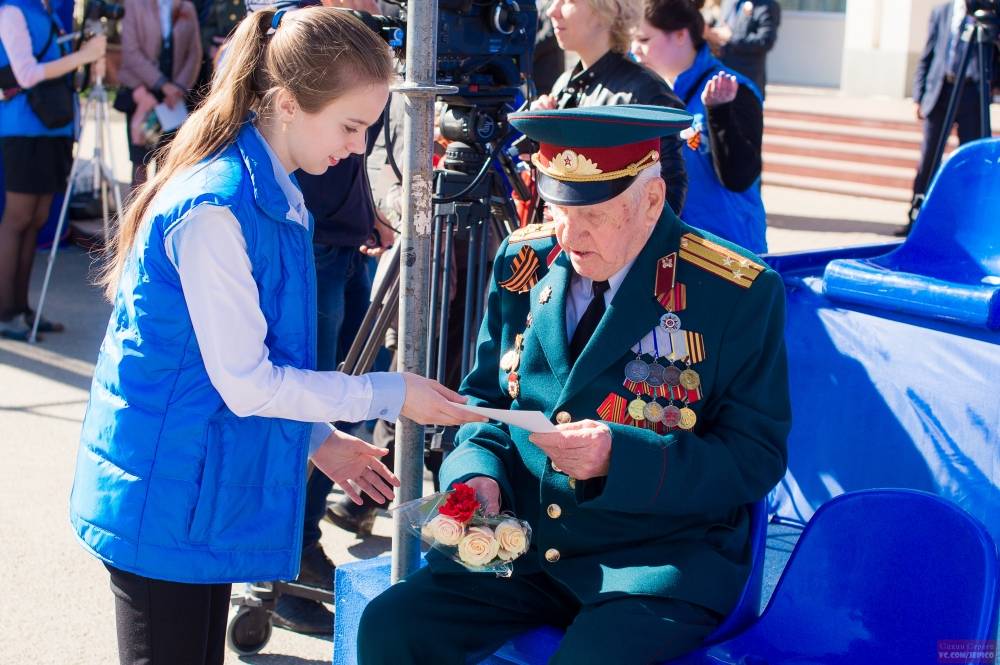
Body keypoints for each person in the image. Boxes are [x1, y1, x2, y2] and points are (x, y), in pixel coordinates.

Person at [68, 9, 484, 665]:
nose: (358, 147)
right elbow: (247, 381)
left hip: (197, 485)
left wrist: (320, 440)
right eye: (350, 126)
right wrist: (388, 392)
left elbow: (246, 364)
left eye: (369, 130)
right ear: (287, 103)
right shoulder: (217, 204)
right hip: (168, 489)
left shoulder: (270, 184)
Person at [357, 104, 791, 665]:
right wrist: (478, 478)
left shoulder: (734, 292)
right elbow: (487, 404)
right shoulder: (526, 261)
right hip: (526, 545)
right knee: (393, 626)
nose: (569, 234)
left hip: (651, 561)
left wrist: (621, 458)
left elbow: (755, 457)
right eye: (558, 209)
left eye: (594, 215)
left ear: (652, 201)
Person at [0, 0, 106, 340]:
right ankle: (5, 312)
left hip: (54, 130)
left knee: (36, 219)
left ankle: (22, 308)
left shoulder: (43, 11)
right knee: (18, 219)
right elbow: (26, 74)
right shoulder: (12, 11)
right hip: (23, 130)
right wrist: (83, 56)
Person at [633, 0, 766, 253]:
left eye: (644, 40)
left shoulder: (732, 88)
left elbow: (739, 177)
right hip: (671, 249)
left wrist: (719, 113)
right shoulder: (650, 91)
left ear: (681, 35)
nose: (635, 50)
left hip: (727, 253)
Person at [535, 0, 689, 215]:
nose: (553, 11)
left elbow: (668, 196)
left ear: (608, 8)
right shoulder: (564, 83)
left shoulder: (645, 91)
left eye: (568, 1)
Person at [906, 0, 1000, 234]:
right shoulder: (941, 12)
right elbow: (928, 55)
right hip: (940, 94)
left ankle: (969, 224)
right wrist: (918, 96)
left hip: (973, 94)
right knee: (928, 160)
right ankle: (915, 219)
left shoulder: (990, 12)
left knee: (972, 160)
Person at [118, 0, 203, 187]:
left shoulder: (186, 7)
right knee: (141, 161)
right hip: (143, 94)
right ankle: (138, 213)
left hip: (173, 101)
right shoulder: (136, 5)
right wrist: (162, 84)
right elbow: (131, 52)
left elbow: (194, 53)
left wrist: (179, 87)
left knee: (169, 162)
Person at [704, 0, 779, 99]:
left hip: (747, 82)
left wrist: (731, 38)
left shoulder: (767, 5)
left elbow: (765, 41)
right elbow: (721, 29)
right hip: (720, 78)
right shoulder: (728, 2)